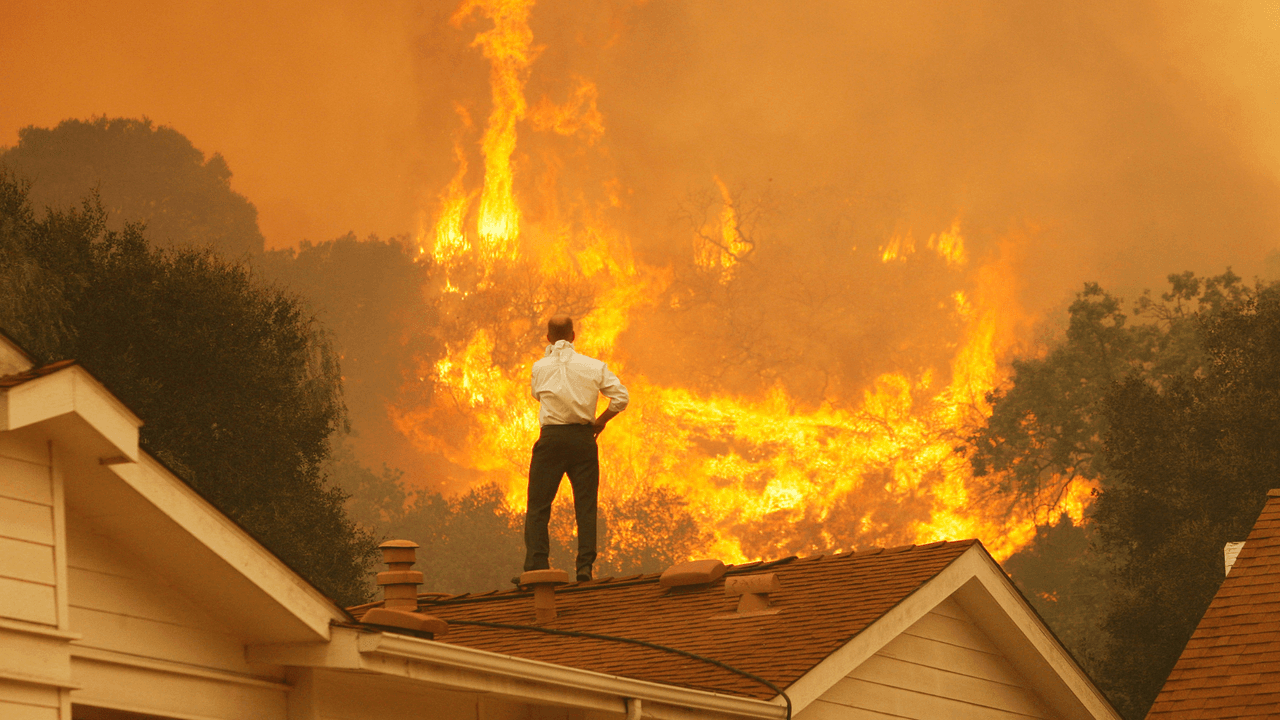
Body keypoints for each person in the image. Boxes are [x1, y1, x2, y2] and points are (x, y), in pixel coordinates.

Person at [523, 314, 628, 582]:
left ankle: (537, 566)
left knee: (538, 506)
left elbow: (537, 394)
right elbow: (621, 398)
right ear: (573, 336)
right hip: (583, 440)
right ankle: (584, 568)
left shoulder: (539, 367)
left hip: (552, 439)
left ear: (548, 338)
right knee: (585, 506)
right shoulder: (594, 366)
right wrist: (600, 422)